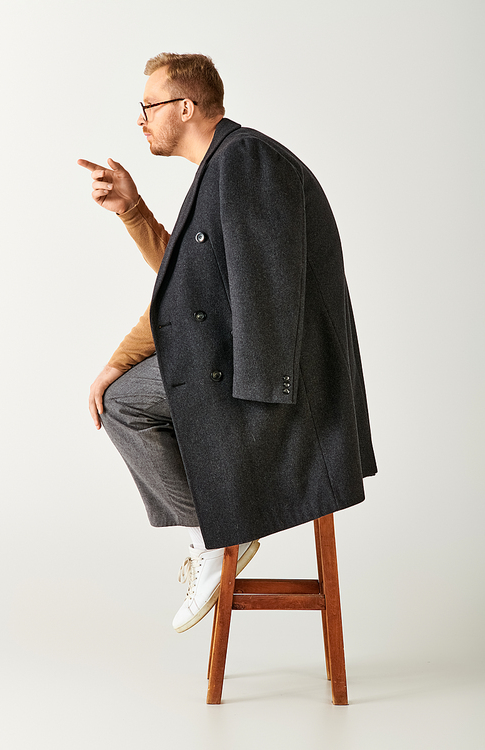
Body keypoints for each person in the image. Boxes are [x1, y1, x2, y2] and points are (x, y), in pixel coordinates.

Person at [78, 53, 377, 634]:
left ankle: (216, 539)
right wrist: (133, 212)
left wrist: (255, 398)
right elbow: (187, 288)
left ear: (185, 106)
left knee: (123, 403)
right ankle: (215, 536)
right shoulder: (222, 166)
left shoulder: (245, 162)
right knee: (122, 398)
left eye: (149, 106)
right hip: (244, 366)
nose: (141, 119)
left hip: (271, 381)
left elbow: (262, 294)